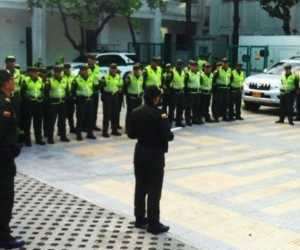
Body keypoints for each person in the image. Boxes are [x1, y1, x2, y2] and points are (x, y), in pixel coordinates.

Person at [128, 85, 174, 235]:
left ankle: (140, 218)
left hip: (140, 151)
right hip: (154, 153)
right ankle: (154, 223)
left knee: (140, 186)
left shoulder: (136, 112)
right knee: (154, 188)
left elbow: (131, 134)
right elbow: (167, 135)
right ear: (156, 98)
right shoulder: (159, 114)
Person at [0, 69, 25, 249]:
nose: (13, 82)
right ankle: (3, 235)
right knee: (5, 196)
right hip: (3, 160)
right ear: (5, 83)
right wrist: (10, 149)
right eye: (10, 79)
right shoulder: (4, 105)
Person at [44, 66, 70, 144]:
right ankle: (50, 137)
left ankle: (63, 136)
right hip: (53, 104)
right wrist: (49, 102)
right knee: (51, 122)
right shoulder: (49, 81)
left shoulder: (65, 80)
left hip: (62, 103)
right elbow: (46, 92)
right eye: (57, 71)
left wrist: (66, 100)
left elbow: (67, 91)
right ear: (54, 72)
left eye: (60, 72)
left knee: (62, 121)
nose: (58, 73)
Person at [21, 67, 46, 146]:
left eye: (36, 72)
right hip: (29, 103)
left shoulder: (40, 80)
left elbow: (42, 90)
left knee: (38, 121)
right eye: (33, 72)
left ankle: (38, 139)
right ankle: (27, 140)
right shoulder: (26, 80)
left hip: (38, 103)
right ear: (30, 72)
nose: (35, 73)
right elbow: (23, 92)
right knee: (27, 122)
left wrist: (42, 97)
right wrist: (26, 100)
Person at [71, 65, 97, 141]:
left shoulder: (90, 78)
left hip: (89, 100)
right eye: (83, 70)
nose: (85, 72)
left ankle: (90, 133)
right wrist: (79, 95)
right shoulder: (76, 80)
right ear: (80, 71)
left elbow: (92, 87)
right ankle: (78, 134)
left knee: (90, 117)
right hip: (81, 101)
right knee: (80, 117)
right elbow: (73, 91)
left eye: (86, 70)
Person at [100, 63, 123, 138]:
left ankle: (114, 130)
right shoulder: (105, 77)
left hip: (115, 96)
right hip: (108, 97)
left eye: (114, 68)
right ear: (109, 69)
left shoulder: (118, 77)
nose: (113, 70)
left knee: (115, 114)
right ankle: (105, 131)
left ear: (116, 69)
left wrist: (118, 91)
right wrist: (105, 95)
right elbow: (101, 87)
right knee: (107, 115)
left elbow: (120, 85)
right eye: (112, 68)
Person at [124, 64, 143, 133]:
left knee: (138, 113)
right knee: (130, 113)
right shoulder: (129, 77)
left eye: (138, 69)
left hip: (139, 97)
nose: (137, 71)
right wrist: (127, 95)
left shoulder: (141, 76)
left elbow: (142, 86)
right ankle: (128, 128)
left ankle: (137, 127)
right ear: (133, 70)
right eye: (135, 69)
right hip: (131, 97)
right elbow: (125, 87)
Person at [166, 59, 186, 127]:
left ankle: (178, 122)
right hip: (174, 92)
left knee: (180, 108)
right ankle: (169, 122)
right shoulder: (172, 72)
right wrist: (170, 90)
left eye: (180, 64)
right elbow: (167, 82)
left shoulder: (183, 72)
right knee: (172, 109)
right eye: (178, 64)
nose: (179, 66)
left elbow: (184, 81)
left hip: (181, 92)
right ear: (175, 64)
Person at [212, 58, 231, 122]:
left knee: (226, 103)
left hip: (226, 89)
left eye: (226, 62)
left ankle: (225, 116)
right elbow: (213, 79)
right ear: (222, 63)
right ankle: (216, 117)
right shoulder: (218, 70)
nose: (225, 64)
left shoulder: (229, 70)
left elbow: (229, 78)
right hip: (220, 89)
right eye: (224, 62)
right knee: (218, 103)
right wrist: (215, 87)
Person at [87, 54, 101, 131]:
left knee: (95, 109)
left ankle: (93, 124)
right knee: (88, 110)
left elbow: (97, 78)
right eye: (90, 58)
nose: (91, 60)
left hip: (95, 90)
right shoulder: (84, 68)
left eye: (92, 59)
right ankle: (86, 125)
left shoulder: (97, 68)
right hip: (88, 91)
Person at [184, 60, 201, 126]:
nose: (193, 67)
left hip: (197, 93)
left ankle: (194, 119)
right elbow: (185, 83)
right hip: (190, 93)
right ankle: (188, 120)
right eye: (192, 66)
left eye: (195, 66)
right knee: (188, 108)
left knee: (196, 107)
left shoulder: (198, 73)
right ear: (190, 66)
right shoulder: (188, 74)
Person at [62, 63, 76, 133]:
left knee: (71, 113)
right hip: (63, 97)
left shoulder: (72, 76)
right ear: (63, 68)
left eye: (68, 68)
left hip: (70, 97)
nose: (67, 69)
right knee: (63, 115)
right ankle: (60, 130)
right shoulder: (61, 76)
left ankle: (72, 128)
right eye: (66, 68)